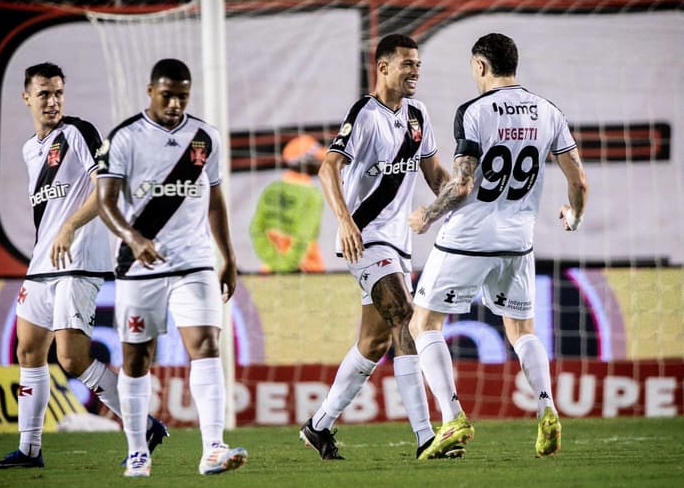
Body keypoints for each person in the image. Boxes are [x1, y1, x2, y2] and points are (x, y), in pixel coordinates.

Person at [408, 33, 588, 458]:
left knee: (424, 325)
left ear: (480, 67)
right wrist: (574, 216)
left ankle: (452, 417)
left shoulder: (474, 112)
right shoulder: (549, 111)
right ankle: (547, 409)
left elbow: (464, 184)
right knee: (522, 330)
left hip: (469, 238)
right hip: (518, 242)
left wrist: (427, 215)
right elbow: (578, 180)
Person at [0, 62, 167, 470]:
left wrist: (69, 226)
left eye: (59, 93)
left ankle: (145, 424)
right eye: (44, 93)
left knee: (71, 358)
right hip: (43, 262)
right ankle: (29, 450)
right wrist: (53, 235)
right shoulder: (30, 148)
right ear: (27, 97)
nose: (53, 101)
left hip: (79, 259)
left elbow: (105, 190)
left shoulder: (78, 132)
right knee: (28, 350)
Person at [300, 34, 453, 461]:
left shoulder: (419, 115)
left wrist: (457, 198)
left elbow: (436, 175)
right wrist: (346, 223)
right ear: (382, 67)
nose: (415, 72)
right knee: (405, 315)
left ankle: (319, 425)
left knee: (375, 342)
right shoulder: (364, 116)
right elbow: (327, 169)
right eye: (407, 64)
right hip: (365, 238)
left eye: (418, 65)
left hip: (399, 243)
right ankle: (426, 437)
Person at [96, 58, 247, 477]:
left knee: (206, 345)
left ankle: (213, 447)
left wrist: (229, 257)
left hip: (194, 262)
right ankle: (138, 451)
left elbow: (214, 201)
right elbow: (106, 202)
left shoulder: (205, 138)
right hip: (139, 266)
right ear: (150, 91)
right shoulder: (124, 138)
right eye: (168, 95)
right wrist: (133, 237)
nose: (176, 103)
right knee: (137, 359)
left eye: (183, 95)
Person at [249, 134, 326, 273]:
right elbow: (304, 236)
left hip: (270, 269)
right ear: (304, 162)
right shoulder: (312, 195)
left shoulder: (271, 189)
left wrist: (275, 262)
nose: (322, 162)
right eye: (317, 158)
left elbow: (256, 230)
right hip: (306, 269)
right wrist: (288, 266)